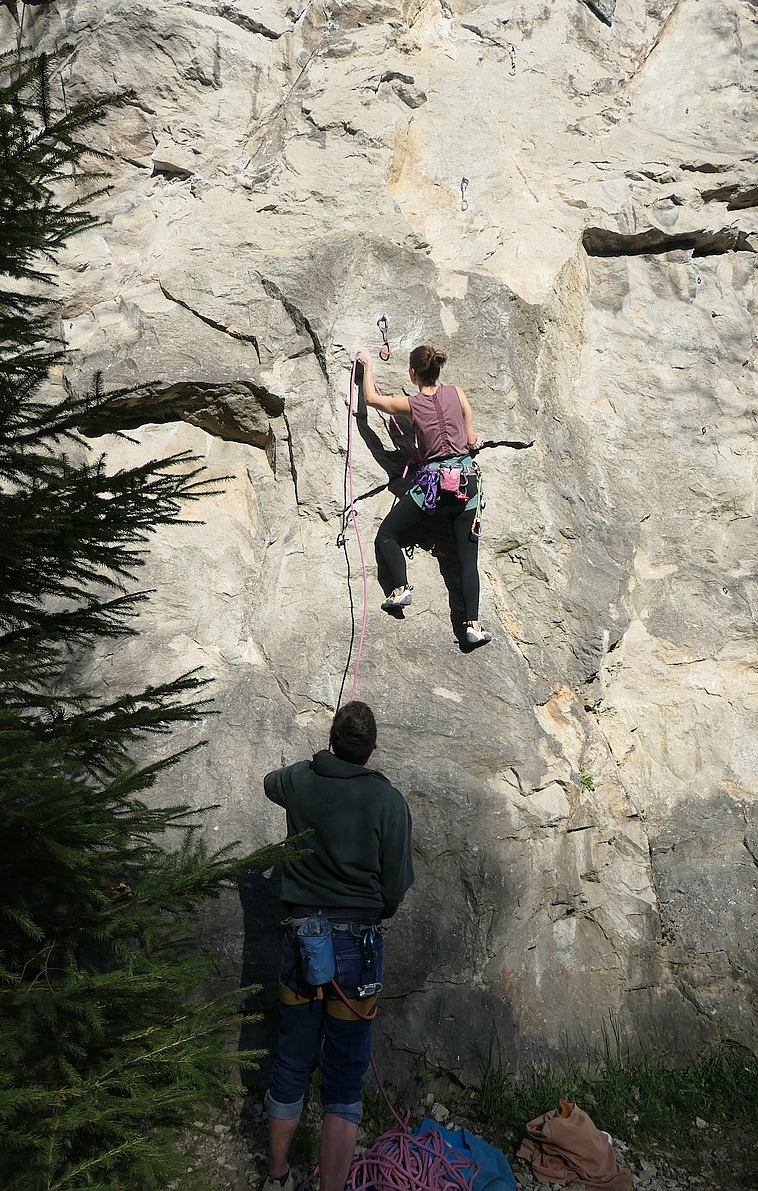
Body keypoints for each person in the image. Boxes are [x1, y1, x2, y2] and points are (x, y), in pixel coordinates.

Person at [262, 701, 414, 1191]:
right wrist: (376, 913)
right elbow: (395, 885)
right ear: (372, 748)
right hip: (358, 948)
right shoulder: (387, 802)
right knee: (345, 1075)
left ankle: (278, 1177)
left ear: (331, 739)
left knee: (291, 1060)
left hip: (302, 943)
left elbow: (270, 782)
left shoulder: (301, 782)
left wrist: (314, 766)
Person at [357, 344, 491, 647]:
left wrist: (367, 365)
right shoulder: (457, 393)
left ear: (413, 373)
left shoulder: (412, 404)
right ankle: (473, 626)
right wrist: (471, 441)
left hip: (431, 490)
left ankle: (401, 589)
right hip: (465, 487)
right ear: (438, 370)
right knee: (467, 562)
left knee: (387, 534)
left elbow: (371, 399)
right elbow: (471, 440)